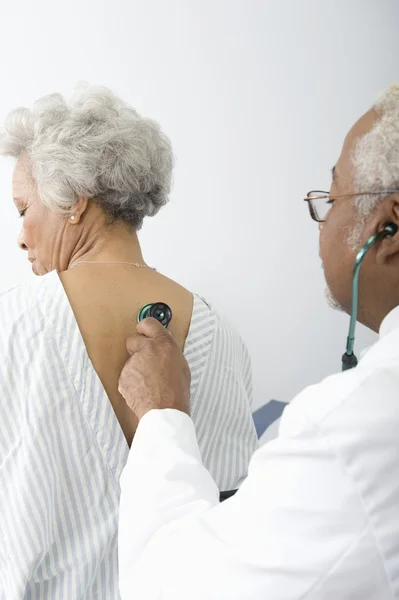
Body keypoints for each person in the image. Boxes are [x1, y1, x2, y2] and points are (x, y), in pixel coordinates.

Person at [117, 83, 399, 599]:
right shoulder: (222, 331)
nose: (321, 220)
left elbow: (167, 587)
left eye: (331, 198)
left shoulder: (356, 423)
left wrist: (161, 415)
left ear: (390, 227)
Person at [0, 85, 258, 598]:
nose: (21, 235)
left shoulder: (12, 321)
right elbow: (232, 526)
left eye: (23, 207)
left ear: (73, 200)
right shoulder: (224, 341)